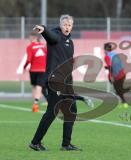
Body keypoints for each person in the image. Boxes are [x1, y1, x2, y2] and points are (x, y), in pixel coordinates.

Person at [29, 14, 93, 151]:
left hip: (66, 82)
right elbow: (50, 35)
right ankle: (35, 142)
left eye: (69, 25)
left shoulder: (70, 42)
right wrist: (43, 29)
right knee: (52, 111)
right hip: (54, 81)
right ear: (60, 25)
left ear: (72, 26)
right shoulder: (56, 37)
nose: (67, 27)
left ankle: (66, 144)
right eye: (65, 25)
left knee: (71, 111)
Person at [104, 43, 131, 109]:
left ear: (106, 49)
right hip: (122, 72)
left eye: (104, 49)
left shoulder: (107, 56)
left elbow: (110, 66)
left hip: (116, 75)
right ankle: (124, 103)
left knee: (118, 90)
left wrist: (111, 76)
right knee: (118, 90)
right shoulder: (115, 54)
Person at [24, 31, 47, 112]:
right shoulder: (43, 46)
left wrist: (25, 66)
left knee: (36, 86)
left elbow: (29, 59)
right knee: (39, 86)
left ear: (33, 37)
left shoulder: (30, 47)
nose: (29, 39)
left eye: (29, 37)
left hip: (34, 69)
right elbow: (47, 56)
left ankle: (35, 103)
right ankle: (36, 102)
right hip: (43, 69)